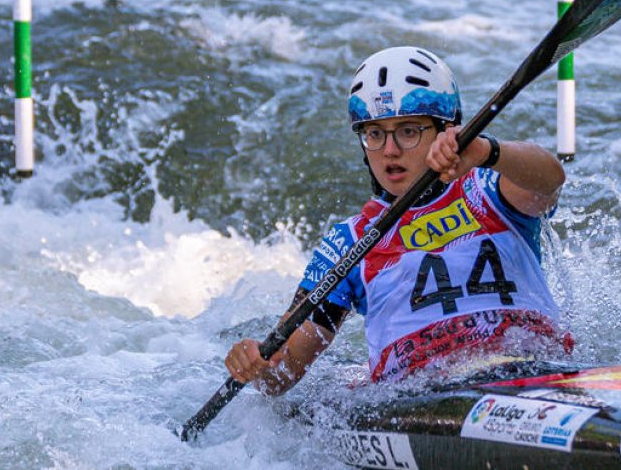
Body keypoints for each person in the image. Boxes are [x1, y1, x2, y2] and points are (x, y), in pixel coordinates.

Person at [225, 46, 570, 394]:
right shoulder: (349, 242)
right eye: (374, 134)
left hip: (533, 370)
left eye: (408, 131)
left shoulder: (491, 191)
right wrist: (258, 364)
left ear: (446, 130)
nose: (389, 150)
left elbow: (550, 178)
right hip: (424, 399)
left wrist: (486, 151)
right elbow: (284, 372)